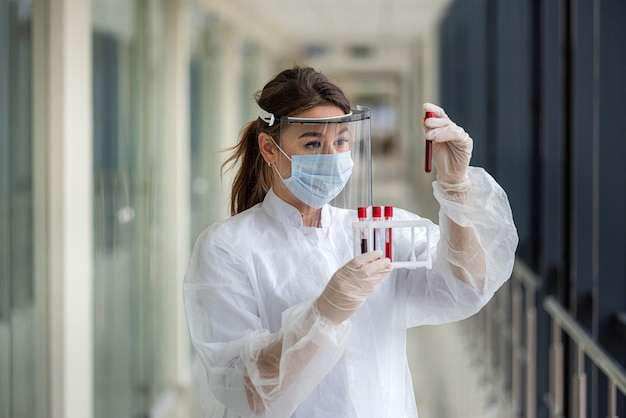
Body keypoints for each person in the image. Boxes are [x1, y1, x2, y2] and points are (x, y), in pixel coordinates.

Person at [183, 66, 518, 418]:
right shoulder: (228, 247)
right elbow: (244, 391)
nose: (331, 157)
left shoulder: (378, 231)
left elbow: (467, 285)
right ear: (269, 148)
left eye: (341, 141)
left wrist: (455, 185)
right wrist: (323, 313)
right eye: (312, 143)